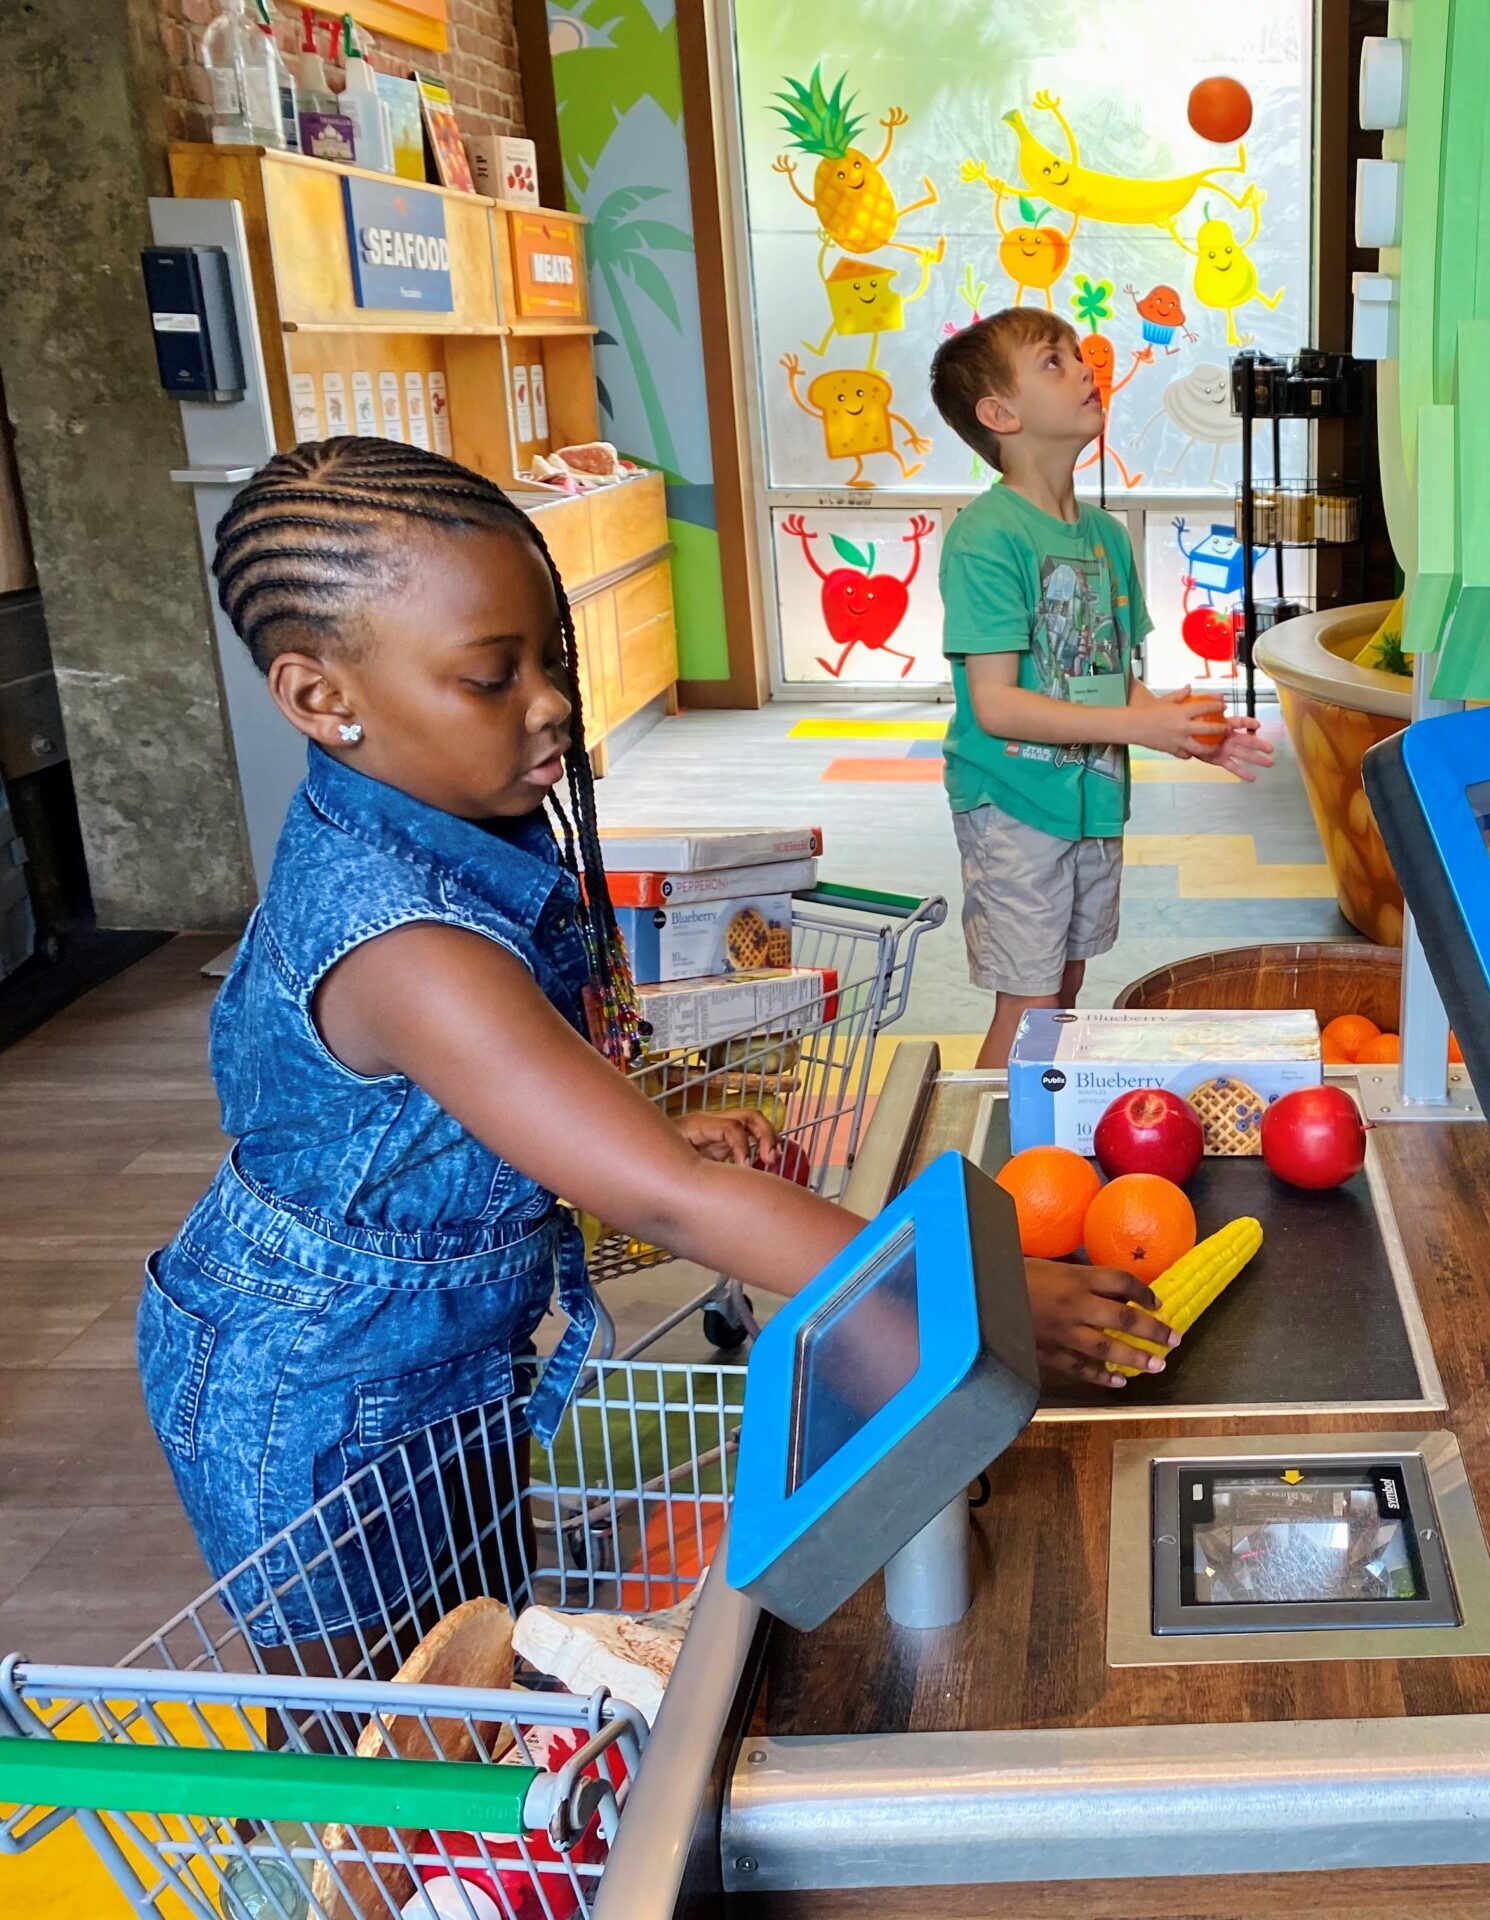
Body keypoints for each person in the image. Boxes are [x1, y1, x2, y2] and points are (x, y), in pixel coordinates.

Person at [141, 439, 1179, 1647]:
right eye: (491, 677)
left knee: (479, 1641)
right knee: (396, 1719)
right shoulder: (408, 946)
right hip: (321, 1394)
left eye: (553, 658)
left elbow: (470, 1101)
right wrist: (968, 1298)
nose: (550, 702)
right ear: (322, 700)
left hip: (437, 1358)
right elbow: (670, 1199)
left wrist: (646, 1119)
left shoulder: (437, 825)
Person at [928, 309, 1275, 1070]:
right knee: (1028, 1003)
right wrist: (1141, 726)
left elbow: (1114, 682)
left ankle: (1039, 1127)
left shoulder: (1107, 537)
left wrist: (1187, 730)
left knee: (1065, 985)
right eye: (1053, 362)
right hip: (1012, 803)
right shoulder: (987, 537)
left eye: (1078, 354)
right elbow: (996, 705)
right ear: (1001, 414)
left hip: (1090, 800)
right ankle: (984, 1141)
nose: (1086, 369)